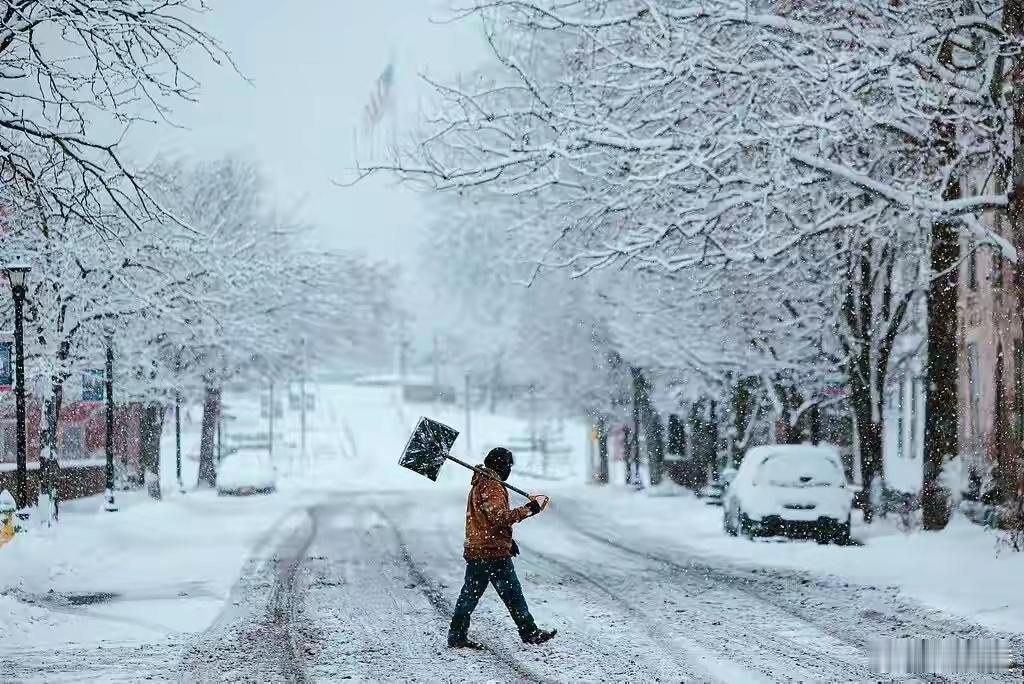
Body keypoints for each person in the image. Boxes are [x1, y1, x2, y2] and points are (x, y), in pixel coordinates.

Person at [448, 446, 556, 649]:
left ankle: (456, 635)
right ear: (500, 465)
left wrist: (506, 540)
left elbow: (485, 520)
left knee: (469, 595)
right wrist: (529, 509)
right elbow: (499, 518)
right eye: (508, 465)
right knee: (513, 594)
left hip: (481, 548)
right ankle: (529, 632)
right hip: (491, 553)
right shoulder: (492, 485)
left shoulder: (481, 482)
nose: (509, 470)